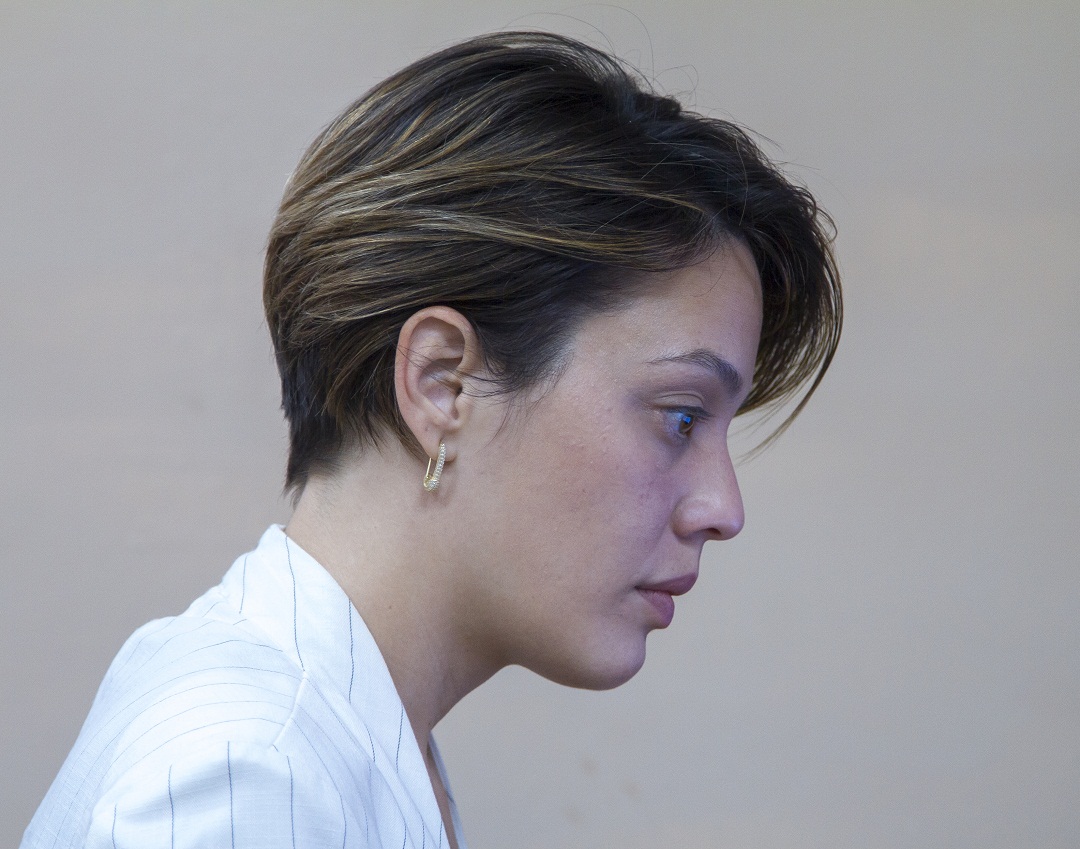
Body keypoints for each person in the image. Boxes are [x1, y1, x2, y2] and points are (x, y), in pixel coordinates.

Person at [23, 31, 841, 849]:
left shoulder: (331, 736)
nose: (723, 508)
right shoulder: (254, 776)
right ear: (444, 384)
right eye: (681, 417)